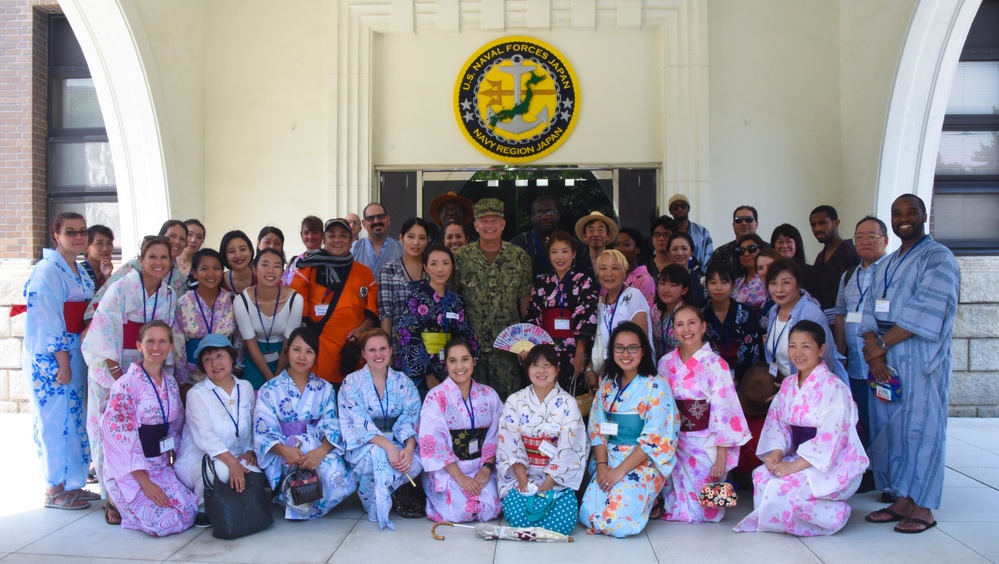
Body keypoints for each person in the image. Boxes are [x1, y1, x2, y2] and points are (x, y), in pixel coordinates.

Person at [860, 194, 959, 534]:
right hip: (884, 363)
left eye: (911, 213)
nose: (904, 218)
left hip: (919, 362)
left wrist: (880, 346)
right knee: (893, 430)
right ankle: (902, 498)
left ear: (924, 215)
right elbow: (870, 309)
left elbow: (927, 312)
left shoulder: (938, 259)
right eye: (897, 213)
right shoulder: (886, 264)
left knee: (923, 430)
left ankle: (924, 506)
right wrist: (873, 346)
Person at [734, 320, 868, 536]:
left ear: (821, 349)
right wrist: (776, 454)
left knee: (782, 488)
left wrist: (794, 466)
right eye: (792, 345)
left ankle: (833, 516)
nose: (798, 353)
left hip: (832, 462)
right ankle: (791, 521)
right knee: (760, 477)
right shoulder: (788, 385)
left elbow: (832, 438)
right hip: (799, 456)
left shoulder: (834, 387)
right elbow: (778, 425)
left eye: (806, 346)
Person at [83, 236, 178, 525]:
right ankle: (110, 496)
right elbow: (104, 330)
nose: (159, 263)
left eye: (164, 257)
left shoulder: (169, 293)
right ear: (141, 258)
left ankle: (137, 487)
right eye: (153, 257)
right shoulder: (122, 287)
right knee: (109, 431)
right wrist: (119, 377)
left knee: (139, 432)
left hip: (148, 363)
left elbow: (168, 332)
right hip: (114, 366)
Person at [22, 212, 98, 510]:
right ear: (56, 236)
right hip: (53, 357)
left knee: (76, 418)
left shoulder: (76, 268)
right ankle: (54, 488)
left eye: (82, 231)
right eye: (70, 232)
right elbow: (45, 319)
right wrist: (62, 361)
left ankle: (74, 484)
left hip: (75, 348)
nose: (78, 237)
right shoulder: (47, 270)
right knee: (55, 420)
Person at [578, 322, 678, 538]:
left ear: (643, 350)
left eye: (632, 347)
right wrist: (603, 467)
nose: (626, 354)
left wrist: (619, 472)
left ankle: (651, 501)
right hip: (610, 455)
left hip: (641, 460)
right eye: (619, 347)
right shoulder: (607, 383)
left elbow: (655, 438)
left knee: (617, 523)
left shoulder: (656, 385)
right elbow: (597, 427)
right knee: (587, 513)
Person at [100, 320, 198, 535]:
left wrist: (171, 456)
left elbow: (176, 423)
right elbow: (119, 439)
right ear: (139, 346)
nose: (156, 347)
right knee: (165, 522)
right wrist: (145, 482)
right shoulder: (125, 384)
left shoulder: (170, 382)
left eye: (163, 342)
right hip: (131, 470)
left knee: (190, 510)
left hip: (159, 464)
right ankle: (115, 499)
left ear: (171, 347)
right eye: (150, 342)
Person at [254, 327, 357, 520]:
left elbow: (332, 425)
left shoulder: (325, 388)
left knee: (333, 474)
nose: (302, 356)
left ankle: (304, 503)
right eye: (296, 350)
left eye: (309, 351)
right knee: (296, 478)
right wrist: (284, 451)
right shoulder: (269, 389)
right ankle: (292, 498)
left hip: (316, 447)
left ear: (316, 356)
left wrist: (321, 452)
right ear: (287, 351)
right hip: (284, 450)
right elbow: (263, 429)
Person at [658, 306, 750, 523]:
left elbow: (724, 413)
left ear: (703, 327)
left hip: (704, 442)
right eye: (679, 324)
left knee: (705, 512)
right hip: (673, 441)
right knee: (671, 504)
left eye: (692, 323)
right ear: (673, 330)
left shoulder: (716, 364)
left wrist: (720, 459)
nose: (686, 329)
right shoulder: (665, 363)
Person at [496, 344, 589, 536]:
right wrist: (524, 483)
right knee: (515, 514)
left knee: (564, 521)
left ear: (557, 369)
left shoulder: (567, 403)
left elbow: (570, 448)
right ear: (527, 369)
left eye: (547, 365)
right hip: (524, 476)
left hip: (555, 479)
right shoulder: (515, 401)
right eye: (535, 365)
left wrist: (547, 485)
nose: (541, 371)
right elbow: (509, 443)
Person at [339, 329, 424, 530]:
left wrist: (409, 449)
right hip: (366, 444)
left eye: (383, 349)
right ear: (363, 354)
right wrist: (388, 447)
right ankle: (377, 502)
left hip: (399, 441)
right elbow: (357, 422)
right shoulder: (351, 383)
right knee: (378, 455)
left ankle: (385, 494)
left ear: (391, 350)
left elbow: (411, 417)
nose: (378, 355)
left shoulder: (403, 381)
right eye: (372, 350)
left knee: (419, 460)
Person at [174, 334, 258, 528]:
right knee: (219, 470)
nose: (214, 363)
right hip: (200, 459)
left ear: (231, 358)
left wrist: (251, 450)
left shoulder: (245, 387)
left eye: (219, 356)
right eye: (207, 359)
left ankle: (240, 506)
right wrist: (233, 464)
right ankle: (204, 508)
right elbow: (206, 437)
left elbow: (254, 425)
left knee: (256, 469)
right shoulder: (197, 394)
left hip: (238, 455)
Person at [453, 198, 532, 400]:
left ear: (503, 224)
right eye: (484, 221)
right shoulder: (461, 257)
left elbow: (525, 302)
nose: (490, 226)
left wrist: (525, 340)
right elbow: (454, 299)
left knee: (509, 405)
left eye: (495, 220)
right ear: (476, 225)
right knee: (472, 403)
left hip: (507, 350)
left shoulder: (518, 257)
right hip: (471, 348)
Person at [418, 338, 503, 523]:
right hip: (449, 470)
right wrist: (461, 478)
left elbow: (497, 435)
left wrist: (487, 469)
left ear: (474, 361)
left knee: (488, 509)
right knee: (460, 511)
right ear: (446, 365)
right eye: (452, 360)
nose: (459, 366)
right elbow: (434, 444)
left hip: (481, 466)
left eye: (465, 359)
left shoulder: (489, 395)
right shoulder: (436, 397)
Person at [291, 218, 378, 385]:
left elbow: (373, 312)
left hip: (352, 356)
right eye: (332, 235)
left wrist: (361, 330)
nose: (337, 240)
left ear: (352, 240)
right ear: (324, 240)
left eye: (343, 235)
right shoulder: (308, 267)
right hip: (318, 355)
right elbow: (295, 305)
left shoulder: (365, 273)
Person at [832, 216, 889, 448]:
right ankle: (865, 467)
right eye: (859, 237)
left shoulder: (891, 272)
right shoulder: (848, 275)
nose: (865, 241)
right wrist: (839, 354)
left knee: (884, 419)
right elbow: (840, 314)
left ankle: (884, 470)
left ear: (885, 240)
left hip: (884, 364)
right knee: (861, 417)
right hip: (855, 365)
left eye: (871, 236)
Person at [397, 245, 478, 392]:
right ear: (426, 268)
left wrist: (459, 367)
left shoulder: (456, 300)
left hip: (453, 369)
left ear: (452, 267)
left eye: (445, 263)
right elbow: (408, 336)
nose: (440, 269)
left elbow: (465, 335)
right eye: (434, 263)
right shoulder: (416, 297)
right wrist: (428, 375)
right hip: (422, 372)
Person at [524, 230, 597, 391]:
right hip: (546, 347)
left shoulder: (583, 280)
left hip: (574, 347)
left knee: (574, 392)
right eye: (554, 252)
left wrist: (580, 350)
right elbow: (533, 315)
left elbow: (588, 315)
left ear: (574, 253)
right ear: (548, 255)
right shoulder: (542, 283)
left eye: (565, 251)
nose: (560, 257)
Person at [86, 220, 189, 320]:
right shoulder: (134, 265)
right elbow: (107, 294)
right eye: (172, 236)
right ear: (161, 237)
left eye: (182, 239)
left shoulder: (180, 279)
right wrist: (92, 322)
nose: (177, 242)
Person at [764, 259, 847, 383]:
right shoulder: (773, 311)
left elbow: (826, 357)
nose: (779, 289)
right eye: (773, 283)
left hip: (811, 390)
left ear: (798, 284)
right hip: (785, 388)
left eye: (786, 282)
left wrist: (798, 388)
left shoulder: (810, 314)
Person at [234, 248, 303, 390]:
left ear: (283, 271)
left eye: (277, 266)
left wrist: (278, 379)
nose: (271, 271)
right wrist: (271, 381)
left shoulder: (295, 300)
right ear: (254, 269)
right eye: (265, 265)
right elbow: (250, 343)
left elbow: (288, 342)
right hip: (255, 357)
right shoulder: (242, 301)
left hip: (286, 356)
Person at [585, 250, 652, 389]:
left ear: (624, 272)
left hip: (632, 375)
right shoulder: (598, 303)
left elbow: (639, 342)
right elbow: (592, 340)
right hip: (605, 376)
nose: (608, 273)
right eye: (603, 268)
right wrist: (589, 369)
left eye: (615, 268)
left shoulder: (633, 296)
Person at [171, 249, 236, 386]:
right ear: (194, 272)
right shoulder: (183, 303)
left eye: (216, 268)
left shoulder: (232, 301)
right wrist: (183, 382)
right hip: (194, 376)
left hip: (227, 374)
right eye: (204, 269)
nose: (211, 274)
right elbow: (178, 346)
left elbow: (240, 340)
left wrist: (237, 367)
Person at [701, 262, 762, 384]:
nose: (718, 288)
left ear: (733, 285)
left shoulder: (744, 312)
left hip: (745, 375)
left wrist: (738, 378)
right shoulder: (702, 314)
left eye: (724, 282)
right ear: (706, 285)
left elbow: (751, 348)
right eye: (713, 283)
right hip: (713, 375)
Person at [378, 217, 430, 352]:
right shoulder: (389, 270)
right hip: (399, 348)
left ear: (428, 240)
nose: (416, 243)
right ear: (401, 238)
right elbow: (386, 314)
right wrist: (386, 350)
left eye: (422, 238)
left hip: (431, 349)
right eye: (411, 237)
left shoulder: (433, 269)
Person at [809, 205, 860, 326]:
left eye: (822, 223)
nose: (817, 228)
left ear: (836, 223)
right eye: (813, 225)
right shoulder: (820, 257)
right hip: (823, 321)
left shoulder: (851, 253)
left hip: (846, 323)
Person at [706, 205, 759, 279]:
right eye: (738, 220)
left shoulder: (769, 250)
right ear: (733, 225)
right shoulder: (720, 254)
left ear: (756, 224)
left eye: (748, 219)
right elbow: (709, 282)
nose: (743, 223)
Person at [352, 202, 403, 279]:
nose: (376, 221)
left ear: (388, 220)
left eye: (380, 216)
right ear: (364, 223)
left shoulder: (401, 248)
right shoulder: (353, 248)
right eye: (370, 218)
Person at [650, 264, 690, 361]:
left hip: (681, 365)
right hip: (657, 364)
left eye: (673, 285)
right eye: (662, 283)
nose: (666, 290)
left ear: (684, 290)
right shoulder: (654, 310)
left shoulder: (689, 315)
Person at [614, 226, 656, 308]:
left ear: (637, 250)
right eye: (617, 244)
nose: (620, 249)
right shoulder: (610, 276)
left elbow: (643, 312)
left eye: (626, 244)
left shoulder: (645, 280)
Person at [668, 194, 713, 266]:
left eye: (683, 206)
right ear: (670, 211)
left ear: (689, 208)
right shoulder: (668, 233)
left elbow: (708, 255)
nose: (680, 209)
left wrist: (702, 275)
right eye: (675, 207)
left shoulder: (703, 232)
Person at [770, 223, 814, 296]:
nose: (785, 246)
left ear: (797, 244)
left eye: (789, 241)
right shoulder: (769, 272)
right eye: (780, 242)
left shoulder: (811, 272)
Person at [666, 231, 707, 307]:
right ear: (668, 252)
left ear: (691, 251)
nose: (680, 253)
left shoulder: (701, 282)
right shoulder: (662, 279)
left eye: (684, 248)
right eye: (675, 249)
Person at [283, 215, 324, 285]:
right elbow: (284, 287)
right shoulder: (294, 262)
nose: (310, 236)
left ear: (322, 235)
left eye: (315, 232)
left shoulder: (330, 260)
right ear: (301, 235)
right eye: (306, 233)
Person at [574, 210, 618, 275]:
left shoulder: (616, 262)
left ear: (608, 235)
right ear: (584, 236)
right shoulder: (578, 263)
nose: (596, 234)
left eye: (600, 230)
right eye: (591, 230)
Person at [731, 234, 767, 310]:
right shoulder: (737, 282)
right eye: (741, 251)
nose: (746, 254)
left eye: (752, 249)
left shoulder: (768, 279)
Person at [644, 215, 681, 282]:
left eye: (666, 234)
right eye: (657, 234)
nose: (661, 238)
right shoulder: (645, 269)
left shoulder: (680, 264)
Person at [220, 230, 256, 295]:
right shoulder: (218, 281)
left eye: (242, 249)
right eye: (231, 251)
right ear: (225, 255)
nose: (238, 255)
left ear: (250, 251)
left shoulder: (262, 278)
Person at [82, 224, 114, 291]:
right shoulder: (80, 271)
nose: (105, 249)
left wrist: (108, 276)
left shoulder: (107, 271)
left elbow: (116, 297)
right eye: (99, 243)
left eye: (109, 243)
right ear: (85, 248)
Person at [176, 219, 206, 283]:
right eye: (189, 234)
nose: (193, 240)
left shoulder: (203, 265)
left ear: (202, 241)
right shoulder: (166, 261)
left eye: (199, 237)